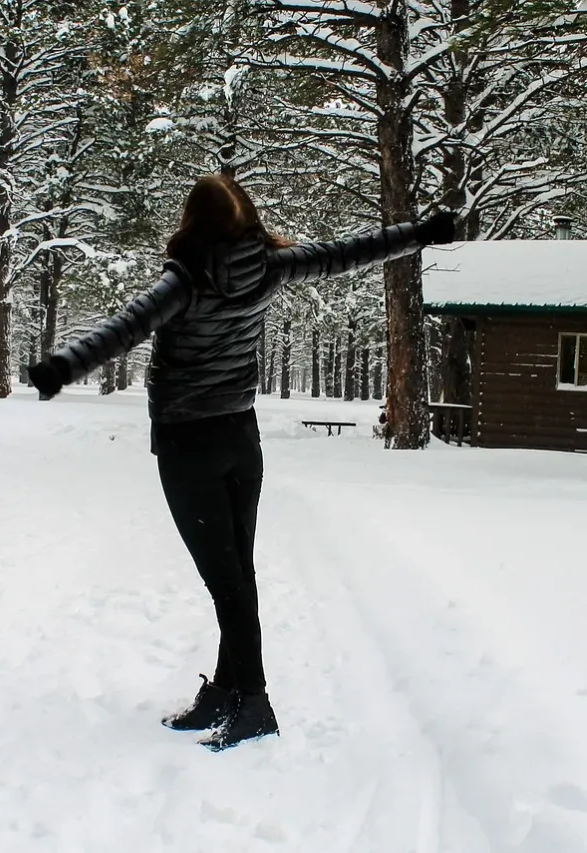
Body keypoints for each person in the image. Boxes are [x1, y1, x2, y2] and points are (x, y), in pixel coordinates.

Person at [28, 175, 456, 751]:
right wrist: (422, 233)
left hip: (190, 445)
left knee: (228, 584)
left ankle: (254, 702)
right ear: (248, 220)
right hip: (240, 438)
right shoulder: (270, 266)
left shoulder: (185, 280)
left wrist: (61, 368)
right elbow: (351, 251)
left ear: (192, 223)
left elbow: (122, 329)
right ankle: (228, 690)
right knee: (236, 577)